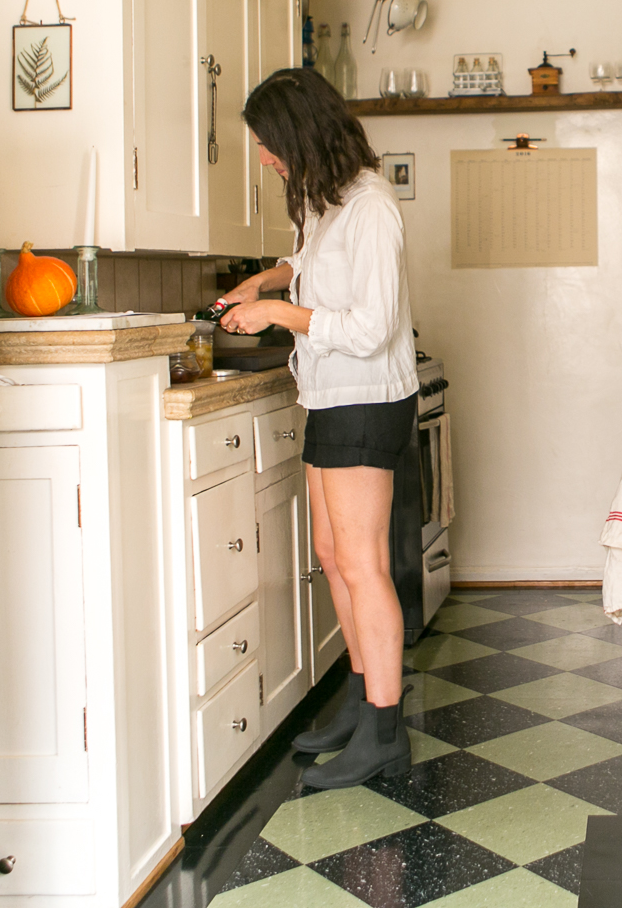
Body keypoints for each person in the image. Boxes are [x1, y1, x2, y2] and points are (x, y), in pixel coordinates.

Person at [214, 68, 416, 788]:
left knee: (362, 563)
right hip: (329, 397)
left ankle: (387, 733)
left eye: (269, 144)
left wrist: (279, 315)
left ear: (300, 133)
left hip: (366, 396)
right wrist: (267, 280)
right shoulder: (324, 206)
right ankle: (364, 703)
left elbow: (369, 327)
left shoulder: (371, 205)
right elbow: (310, 263)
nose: (266, 158)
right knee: (333, 554)